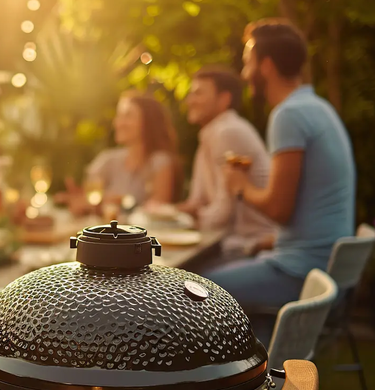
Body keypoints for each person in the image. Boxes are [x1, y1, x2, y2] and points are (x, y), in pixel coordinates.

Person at [207, 19, 356, 312]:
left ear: (266, 66)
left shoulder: (289, 115)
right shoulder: (318, 107)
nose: (244, 73)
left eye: (248, 63)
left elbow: (278, 208)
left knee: (193, 291)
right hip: (319, 267)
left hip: (300, 273)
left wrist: (241, 187)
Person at [178, 66, 275, 256]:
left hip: (252, 245)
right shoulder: (208, 135)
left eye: (198, 94)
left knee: (179, 280)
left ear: (224, 99)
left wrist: (188, 221)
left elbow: (224, 214)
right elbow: (196, 202)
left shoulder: (228, 132)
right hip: (226, 242)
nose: (190, 101)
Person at [65, 91, 182, 213]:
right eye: (119, 116)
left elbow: (158, 210)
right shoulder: (107, 160)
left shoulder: (160, 162)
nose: (118, 123)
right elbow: (86, 200)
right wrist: (79, 202)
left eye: (128, 116)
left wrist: (117, 200)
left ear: (148, 121)